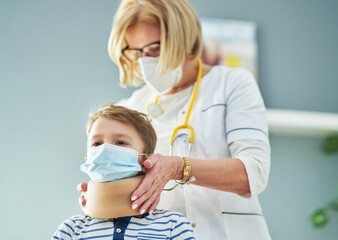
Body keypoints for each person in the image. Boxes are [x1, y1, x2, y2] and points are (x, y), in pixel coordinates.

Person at [78, 0, 272, 239]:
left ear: (184, 37)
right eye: (137, 51)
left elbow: (254, 173)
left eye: (155, 48)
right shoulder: (131, 108)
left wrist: (178, 168)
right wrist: (101, 194)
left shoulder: (231, 84)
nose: (146, 60)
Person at [53, 103, 195, 239]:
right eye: (97, 143)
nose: (105, 150)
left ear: (146, 161)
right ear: (87, 159)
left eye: (121, 143)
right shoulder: (71, 230)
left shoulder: (173, 226)